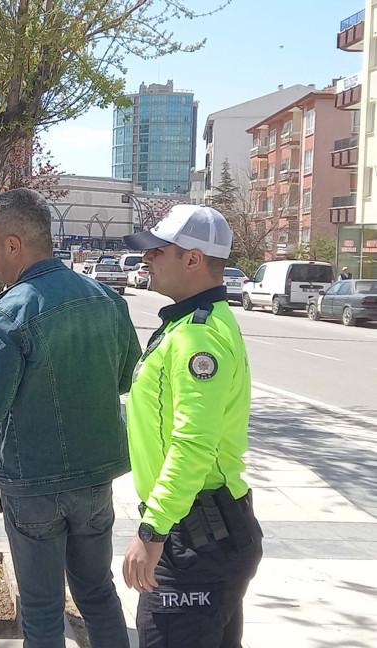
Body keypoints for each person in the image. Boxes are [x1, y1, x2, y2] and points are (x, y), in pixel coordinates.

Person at [0, 188, 140, 648]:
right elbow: (125, 379)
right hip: (95, 477)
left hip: (33, 482)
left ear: (13, 245)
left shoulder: (7, 312)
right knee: (98, 592)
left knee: (42, 611)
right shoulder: (107, 298)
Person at [121, 205, 264, 648]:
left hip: (194, 536)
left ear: (193, 259)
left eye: (157, 251)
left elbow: (192, 445)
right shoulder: (188, 325)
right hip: (204, 529)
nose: (146, 259)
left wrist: (153, 531)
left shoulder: (198, 337)